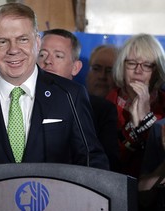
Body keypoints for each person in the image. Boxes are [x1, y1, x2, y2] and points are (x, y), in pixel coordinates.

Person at [0, 3, 109, 175]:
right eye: (2, 42)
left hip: (55, 202)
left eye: (22, 39)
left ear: (37, 43)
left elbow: (90, 159)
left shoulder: (70, 94)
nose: (13, 50)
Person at [37, 28, 120, 171]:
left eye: (58, 56)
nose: (48, 61)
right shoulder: (17, 99)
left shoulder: (99, 110)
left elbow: (102, 163)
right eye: (42, 54)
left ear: (75, 68)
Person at [106, 33, 165, 178]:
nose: (138, 71)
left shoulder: (164, 103)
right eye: (132, 63)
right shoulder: (107, 104)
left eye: (147, 65)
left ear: (157, 70)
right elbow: (108, 160)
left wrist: (146, 118)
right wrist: (133, 128)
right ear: (122, 66)